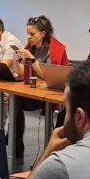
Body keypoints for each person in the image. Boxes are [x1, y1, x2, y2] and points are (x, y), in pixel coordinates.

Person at [13, 15, 69, 158]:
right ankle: (16, 142)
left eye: (32, 34)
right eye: (27, 34)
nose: (29, 38)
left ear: (43, 34)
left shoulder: (53, 49)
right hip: (34, 90)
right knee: (15, 100)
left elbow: (46, 76)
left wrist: (31, 60)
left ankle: (49, 153)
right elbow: (20, 72)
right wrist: (16, 60)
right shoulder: (31, 48)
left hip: (49, 93)